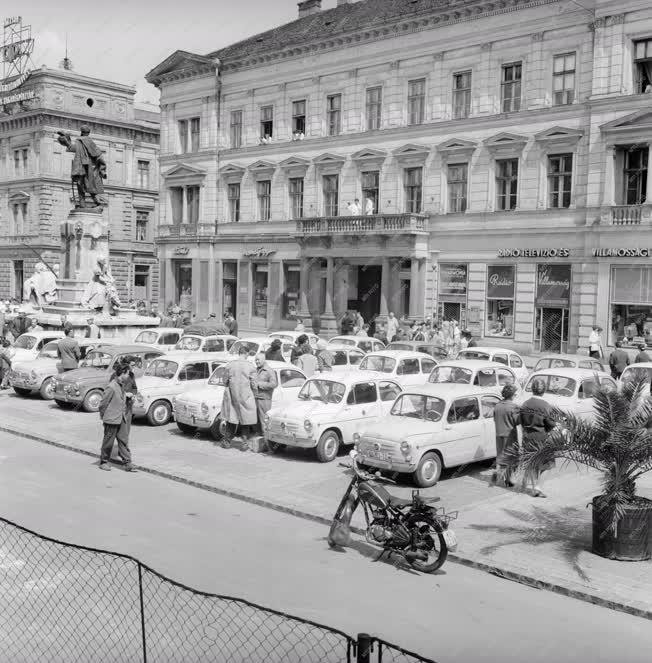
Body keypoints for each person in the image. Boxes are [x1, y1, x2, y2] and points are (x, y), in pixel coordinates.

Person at [519, 377, 556, 498]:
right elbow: (550, 424)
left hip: (528, 437)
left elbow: (521, 421)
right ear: (544, 390)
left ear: (532, 389)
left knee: (532, 463)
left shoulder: (525, 404)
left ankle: (534, 486)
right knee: (548, 464)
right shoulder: (545, 406)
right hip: (542, 437)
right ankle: (538, 487)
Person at [57, 125, 107, 207]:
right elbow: (98, 155)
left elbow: (71, 147)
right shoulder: (86, 141)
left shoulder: (80, 141)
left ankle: (85, 204)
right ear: (88, 133)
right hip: (87, 168)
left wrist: (66, 140)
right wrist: (102, 169)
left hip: (82, 168)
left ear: (81, 132)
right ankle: (94, 203)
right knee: (88, 186)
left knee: (81, 186)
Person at [98, 363, 135, 472]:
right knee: (108, 442)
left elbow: (120, 398)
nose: (128, 376)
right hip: (111, 419)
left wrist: (127, 396)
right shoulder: (112, 386)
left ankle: (128, 463)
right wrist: (104, 417)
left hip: (121, 417)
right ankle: (103, 461)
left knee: (123, 440)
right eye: (128, 374)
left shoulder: (121, 385)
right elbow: (103, 404)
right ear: (122, 373)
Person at [221, 345, 258, 443]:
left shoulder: (230, 365)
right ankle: (244, 443)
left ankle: (227, 441)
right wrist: (255, 393)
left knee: (231, 419)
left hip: (233, 395)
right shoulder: (251, 366)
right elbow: (254, 384)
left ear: (239, 353)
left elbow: (224, 380)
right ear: (246, 354)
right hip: (246, 396)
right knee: (245, 421)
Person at [492, 384, 520, 488]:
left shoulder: (497, 406)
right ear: (511, 395)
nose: (515, 395)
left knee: (502, 457)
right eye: (515, 393)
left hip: (499, 435)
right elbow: (517, 421)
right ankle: (509, 479)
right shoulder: (513, 407)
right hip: (510, 436)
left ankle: (503, 478)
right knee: (513, 458)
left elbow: (495, 419)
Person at [254, 352, 278, 435]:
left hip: (264, 399)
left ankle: (268, 442)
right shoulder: (256, 370)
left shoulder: (269, 370)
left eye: (258, 360)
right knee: (257, 422)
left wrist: (260, 384)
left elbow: (274, 384)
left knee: (265, 421)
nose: (256, 361)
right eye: (255, 360)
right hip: (256, 398)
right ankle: (260, 441)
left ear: (263, 360)